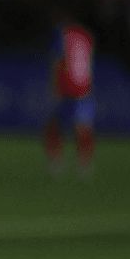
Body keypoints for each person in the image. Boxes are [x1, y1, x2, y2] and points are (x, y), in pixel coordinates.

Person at [43, 19, 98, 177]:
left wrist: (54, 87)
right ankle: (85, 164)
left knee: (54, 126)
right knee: (83, 127)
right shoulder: (86, 36)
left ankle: (56, 163)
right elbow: (88, 63)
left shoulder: (63, 35)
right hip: (84, 88)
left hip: (67, 88)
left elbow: (57, 61)